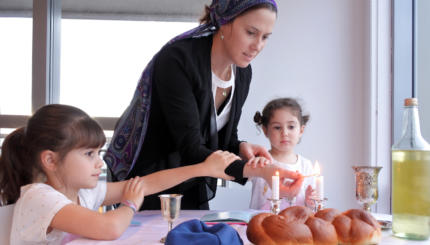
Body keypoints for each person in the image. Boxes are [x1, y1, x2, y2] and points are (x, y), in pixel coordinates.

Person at [105, 0, 304, 210]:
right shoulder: (178, 60)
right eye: (251, 33)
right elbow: (190, 145)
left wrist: (239, 147)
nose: (258, 46)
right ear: (224, 21)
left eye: (265, 37)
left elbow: (221, 137)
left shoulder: (243, 72)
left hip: (193, 181)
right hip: (150, 182)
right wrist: (261, 173)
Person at [0, 104, 241, 244]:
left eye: (98, 153)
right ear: (50, 160)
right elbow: (110, 228)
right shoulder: (39, 196)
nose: (99, 161)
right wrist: (130, 205)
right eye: (88, 154)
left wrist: (202, 169)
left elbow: (144, 185)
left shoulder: (84, 192)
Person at [249, 98, 316, 210]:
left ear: (301, 130)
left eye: (291, 127)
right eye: (277, 127)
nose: (284, 133)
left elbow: (311, 209)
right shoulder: (260, 161)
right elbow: (238, 173)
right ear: (265, 130)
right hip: (262, 225)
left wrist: (310, 200)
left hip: (297, 226)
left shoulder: (306, 166)